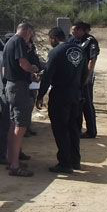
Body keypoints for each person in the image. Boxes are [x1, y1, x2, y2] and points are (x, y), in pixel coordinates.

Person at [37, 27, 88, 174]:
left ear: (53, 38)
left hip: (61, 94)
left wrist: (40, 95)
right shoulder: (80, 50)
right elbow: (85, 73)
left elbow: (47, 76)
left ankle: (65, 163)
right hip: (76, 94)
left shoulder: (56, 52)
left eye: (50, 39)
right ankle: (75, 160)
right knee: (74, 128)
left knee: (60, 128)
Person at [3, 22, 40, 177]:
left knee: (13, 124)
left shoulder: (9, 42)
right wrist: (33, 69)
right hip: (18, 87)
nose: (30, 37)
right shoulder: (18, 41)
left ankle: (11, 158)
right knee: (21, 125)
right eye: (31, 34)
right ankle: (15, 165)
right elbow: (23, 63)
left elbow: (4, 67)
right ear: (27, 31)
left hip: (11, 86)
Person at [69, 21, 98, 138]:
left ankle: (91, 131)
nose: (73, 32)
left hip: (85, 78)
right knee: (77, 104)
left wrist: (87, 76)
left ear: (81, 30)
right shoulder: (72, 40)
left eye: (75, 30)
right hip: (74, 78)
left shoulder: (90, 41)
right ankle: (77, 129)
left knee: (87, 105)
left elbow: (92, 60)